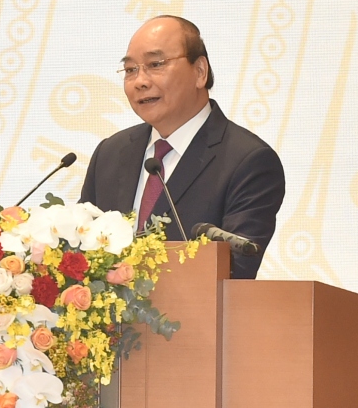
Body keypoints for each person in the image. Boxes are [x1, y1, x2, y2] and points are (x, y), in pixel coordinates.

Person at [79, 15, 285, 279]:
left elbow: (235, 272)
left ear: (200, 72)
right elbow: (80, 255)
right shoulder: (110, 154)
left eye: (155, 64)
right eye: (130, 70)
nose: (140, 81)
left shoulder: (248, 161)